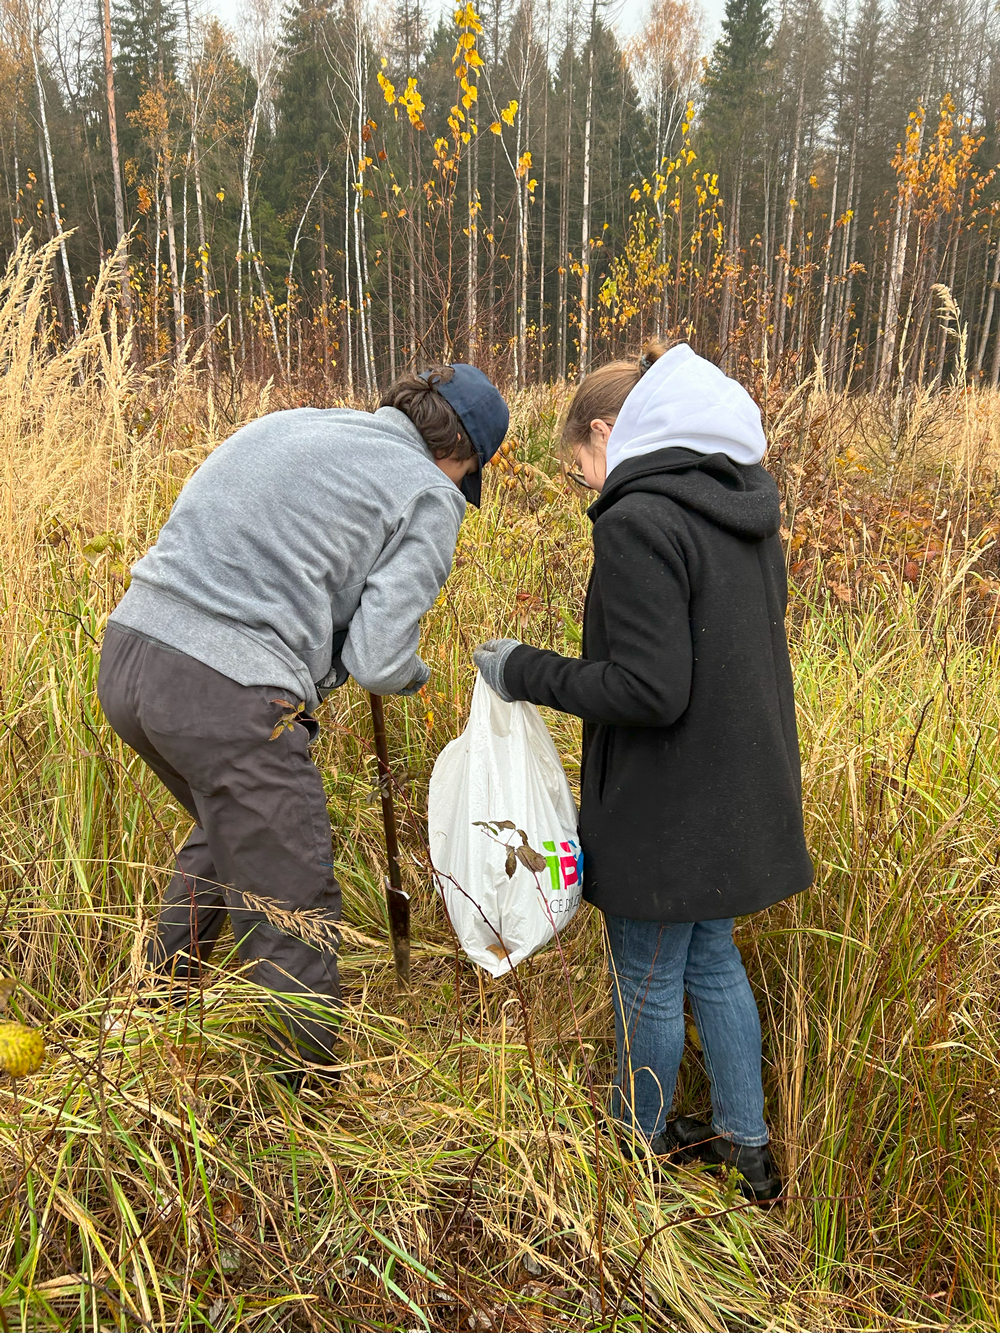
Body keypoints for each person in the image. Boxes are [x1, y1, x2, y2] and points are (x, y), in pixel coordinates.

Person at [99, 364, 508, 1085]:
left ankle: (148, 1013)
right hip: (224, 689)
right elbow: (381, 659)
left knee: (231, 833)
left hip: (129, 656)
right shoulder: (429, 493)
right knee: (294, 900)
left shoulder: (295, 422)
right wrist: (415, 674)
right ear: (461, 458)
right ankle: (303, 1114)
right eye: (467, 472)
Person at [473, 340, 812, 1200]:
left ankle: (637, 1149)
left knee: (651, 981)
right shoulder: (743, 505)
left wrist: (524, 670)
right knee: (713, 965)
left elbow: (650, 690)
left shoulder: (638, 519)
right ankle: (747, 1149)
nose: (588, 485)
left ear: (605, 430)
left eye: (581, 468)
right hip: (739, 792)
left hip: (666, 806)